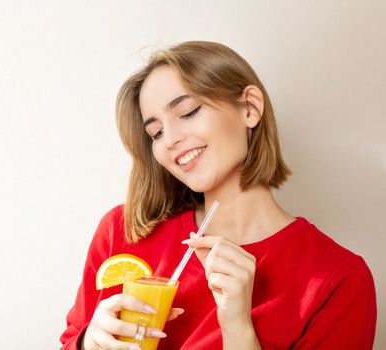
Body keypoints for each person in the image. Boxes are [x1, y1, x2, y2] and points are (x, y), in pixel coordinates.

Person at [59, 41, 377, 349]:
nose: (169, 139)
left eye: (188, 111)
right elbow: (70, 341)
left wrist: (238, 327)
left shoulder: (338, 280)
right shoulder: (123, 231)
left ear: (250, 108)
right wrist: (89, 344)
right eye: (156, 132)